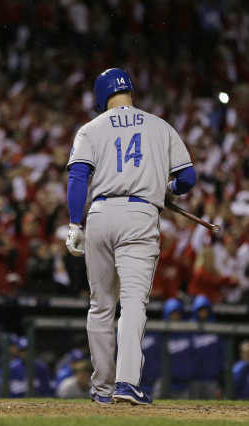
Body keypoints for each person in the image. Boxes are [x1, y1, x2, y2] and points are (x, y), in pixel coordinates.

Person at [65, 68, 196, 405]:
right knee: (133, 302)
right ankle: (127, 383)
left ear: (101, 95)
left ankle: (102, 389)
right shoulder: (160, 126)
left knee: (100, 306)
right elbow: (188, 178)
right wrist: (167, 189)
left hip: (100, 214)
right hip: (139, 214)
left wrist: (75, 223)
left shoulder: (90, 129)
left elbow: (78, 177)